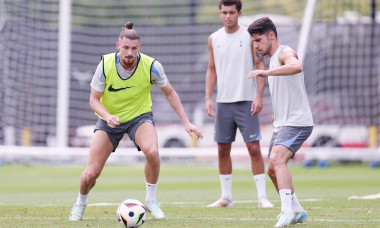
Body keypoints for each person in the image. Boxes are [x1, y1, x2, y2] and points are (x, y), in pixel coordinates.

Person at [69, 21, 203, 221]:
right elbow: (93, 100)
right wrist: (107, 116)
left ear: (139, 47)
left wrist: (186, 122)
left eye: (133, 48)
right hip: (109, 121)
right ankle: (80, 203)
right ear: (118, 46)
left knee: (152, 151)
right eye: (125, 48)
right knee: (91, 174)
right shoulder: (105, 65)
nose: (129, 53)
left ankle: (151, 200)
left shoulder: (152, 66)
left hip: (139, 118)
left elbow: (170, 93)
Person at [205, 0, 273, 209]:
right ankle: (226, 197)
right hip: (223, 102)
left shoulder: (248, 36)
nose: (227, 16)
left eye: (231, 12)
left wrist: (259, 95)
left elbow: (260, 65)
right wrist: (208, 97)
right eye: (224, 12)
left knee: (253, 148)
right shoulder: (213, 39)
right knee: (222, 149)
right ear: (220, 13)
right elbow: (212, 69)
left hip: (246, 101)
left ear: (239, 13)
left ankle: (262, 198)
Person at [247, 17, 314, 227]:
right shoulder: (272, 58)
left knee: (277, 159)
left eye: (258, 40)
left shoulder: (285, 52)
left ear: (271, 35)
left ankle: (286, 212)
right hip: (283, 121)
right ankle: (297, 211)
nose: (256, 46)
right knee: (272, 170)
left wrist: (266, 72)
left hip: (298, 121)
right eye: (253, 42)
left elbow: (296, 66)